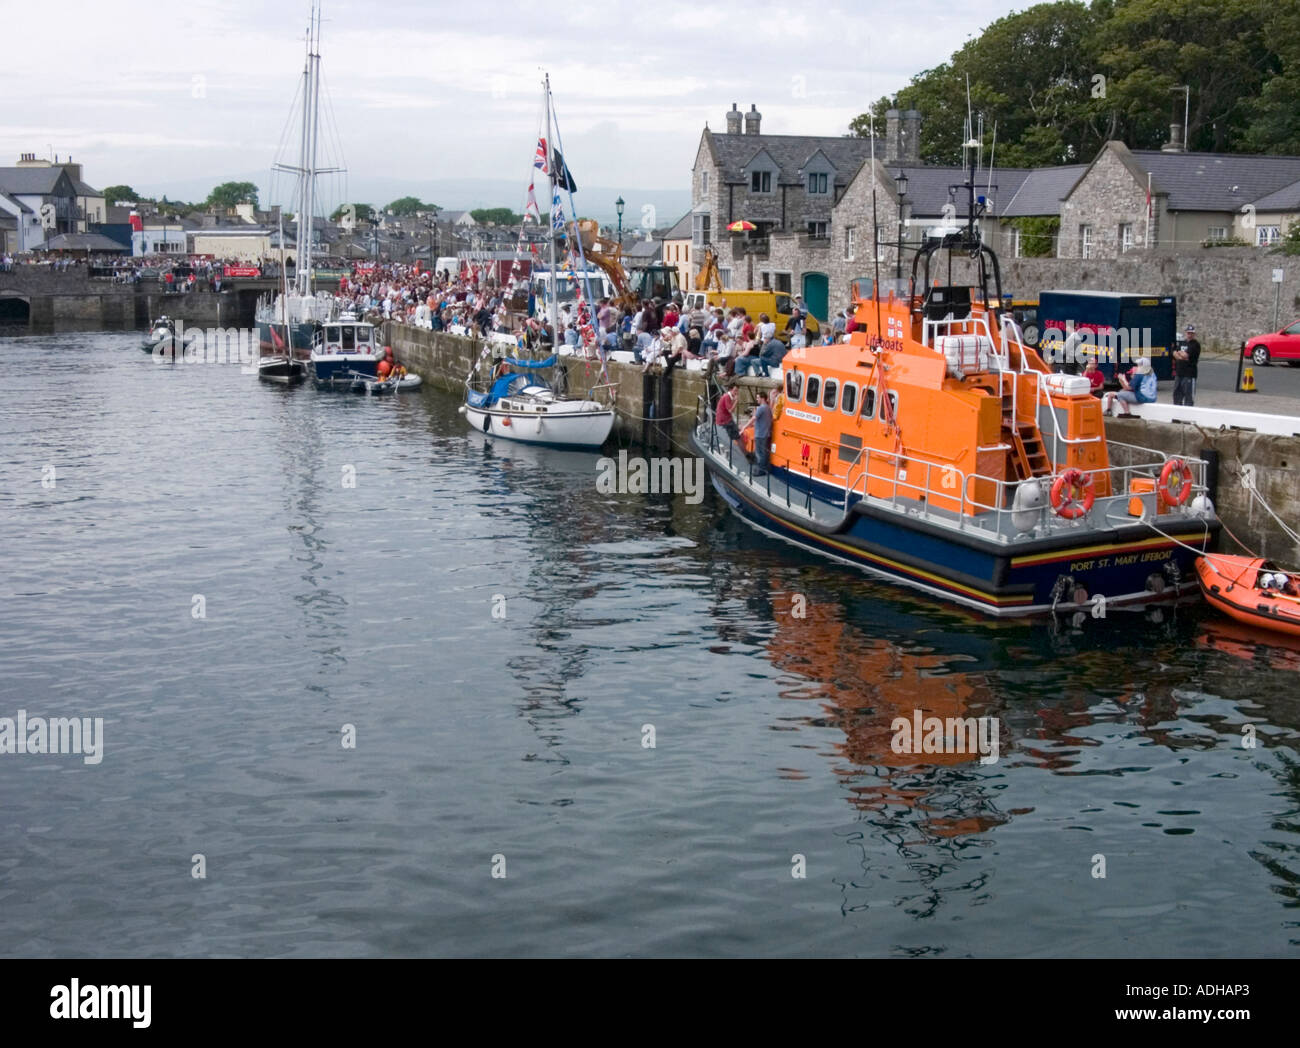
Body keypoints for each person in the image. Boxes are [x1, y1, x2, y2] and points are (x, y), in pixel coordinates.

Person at [1173, 324, 1200, 406]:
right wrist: (1181, 355)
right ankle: (1177, 416)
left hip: (1189, 374)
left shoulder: (1195, 344)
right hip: (1179, 373)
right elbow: (1175, 354)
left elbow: (1186, 355)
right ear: (1186, 333)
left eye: (1191, 333)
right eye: (1188, 333)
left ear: (1194, 334)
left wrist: (1181, 354)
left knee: (1189, 397)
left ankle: (1188, 417)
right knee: (1177, 396)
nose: (1189, 335)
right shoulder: (1182, 343)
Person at [752, 390, 773, 476]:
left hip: (760, 433)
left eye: (758, 397)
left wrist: (744, 427)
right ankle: (765, 468)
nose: (757, 399)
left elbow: (754, 418)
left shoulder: (761, 408)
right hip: (766, 433)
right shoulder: (768, 408)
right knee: (764, 452)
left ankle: (761, 470)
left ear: (762, 398)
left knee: (759, 452)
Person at [715, 380, 741, 445]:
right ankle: (734, 444)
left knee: (735, 429)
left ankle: (736, 443)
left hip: (726, 418)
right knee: (733, 431)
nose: (736, 392)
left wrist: (734, 400)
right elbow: (730, 410)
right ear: (730, 389)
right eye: (735, 390)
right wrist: (736, 401)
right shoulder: (727, 397)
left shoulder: (729, 396)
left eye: (737, 390)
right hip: (723, 420)